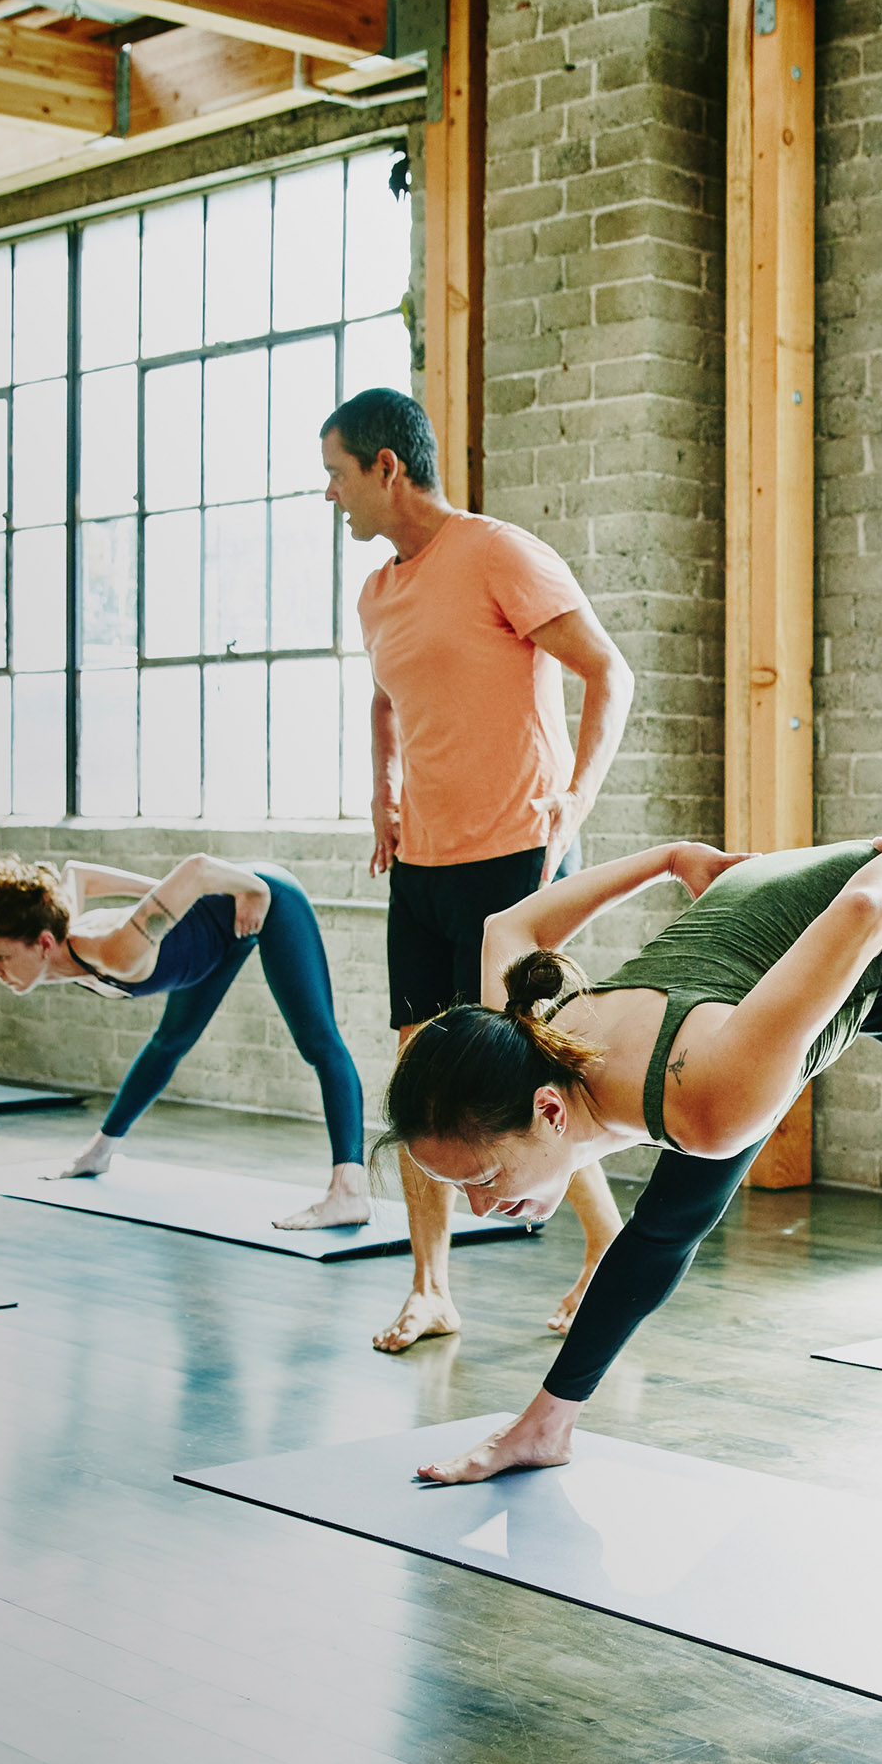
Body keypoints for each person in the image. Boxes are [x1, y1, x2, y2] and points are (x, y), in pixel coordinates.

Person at [385, 828, 882, 1683]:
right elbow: (506, 923)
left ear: (547, 1112)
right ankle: (544, 1428)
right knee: (664, 1225)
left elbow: (874, 904)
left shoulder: (713, 1098)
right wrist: (668, 859)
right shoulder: (514, 1032)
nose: (478, 1206)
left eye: (483, 1178)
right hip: (761, 952)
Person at [330, 385, 638, 1352]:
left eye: (337, 476)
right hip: (421, 861)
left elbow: (607, 670)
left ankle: (606, 1250)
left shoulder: (496, 552)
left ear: (389, 467)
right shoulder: (377, 591)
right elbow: (387, 700)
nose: (331, 498)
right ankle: (431, 1288)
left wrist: (578, 797)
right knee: (421, 1073)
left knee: (519, 1070)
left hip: (514, 854)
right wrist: (383, 796)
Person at [0, 851, 369, 1229]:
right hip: (215, 938)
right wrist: (159, 894)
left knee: (318, 1043)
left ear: (43, 944)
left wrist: (254, 890)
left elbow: (196, 869)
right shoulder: (58, 925)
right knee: (170, 1042)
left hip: (267, 899)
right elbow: (76, 872)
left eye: (1, 957)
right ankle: (99, 1152)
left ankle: (349, 1192)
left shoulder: (116, 951)